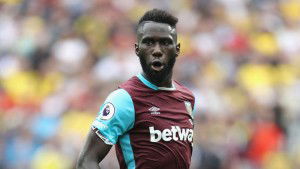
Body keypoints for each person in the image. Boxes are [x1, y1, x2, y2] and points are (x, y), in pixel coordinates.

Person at [76, 9, 195, 169]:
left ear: (177, 49)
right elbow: (87, 160)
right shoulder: (124, 99)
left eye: (165, 42)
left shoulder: (187, 98)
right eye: (149, 42)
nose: (157, 50)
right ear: (137, 49)